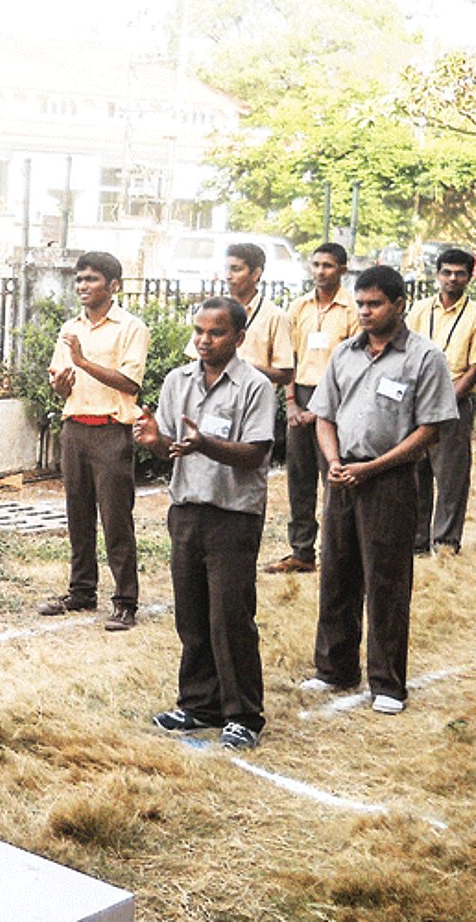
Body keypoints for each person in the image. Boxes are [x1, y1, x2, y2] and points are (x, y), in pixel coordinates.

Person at [302, 266, 457, 714]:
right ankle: (334, 668)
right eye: (361, 304)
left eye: (375, 304)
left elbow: (430, 428)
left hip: (389, 479)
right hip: (342, 477)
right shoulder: (344, 354)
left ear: (399, 304)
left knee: (386, 581)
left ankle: (387, 683)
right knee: (336, 571)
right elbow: (325, 415)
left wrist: (374, 467)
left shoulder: (424, 358)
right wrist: (334, 461)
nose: (365, 312)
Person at [135, 297, 274, 750]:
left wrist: (204, 444)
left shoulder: (255, 386)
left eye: (215, 333)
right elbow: (172, 447)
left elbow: (255, 452)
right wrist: (157, 442)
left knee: (230, 616)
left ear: (238, 337)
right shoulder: (179, 380)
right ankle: (198, 704)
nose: (204, 340)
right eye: (198, 331)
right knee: (192, 612)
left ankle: (243, 714)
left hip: (233, 514)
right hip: (187, 509)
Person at [37, 252, 150, 631]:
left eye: (92, 279)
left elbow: (131, 384)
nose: (83, 286)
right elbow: (58, 381)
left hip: (110, 430)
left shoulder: (131, 328)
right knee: (78, 515)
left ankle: (125, 600)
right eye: (80, 279)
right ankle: (82, 590)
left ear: (113, 285)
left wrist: (83, 363)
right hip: (75, 429)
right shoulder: (71, 327)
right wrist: (61, 383)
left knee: (116, 518)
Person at [265, 242, 358, 573]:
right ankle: (302, 552)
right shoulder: (298, 307)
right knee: (299, 479)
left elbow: (352, 366)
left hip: (337, 400)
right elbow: (288, 358)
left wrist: (320, 411)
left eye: (328, 265)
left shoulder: (352, 310)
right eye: (316, 264)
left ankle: (339, 551)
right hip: (300, 394)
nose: (320, 271)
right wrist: (291, 403)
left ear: (342, 270)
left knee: (333, 476)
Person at [406, 247, 476, 555]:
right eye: (447, 272)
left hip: (455, 398)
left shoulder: (474, 314)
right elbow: (405, 352)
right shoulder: (420, 309)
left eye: (460, 273)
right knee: (415, 472)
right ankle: (417, 542)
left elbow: (475, 367)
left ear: (470, 277)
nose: (452, 278)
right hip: (416, 399)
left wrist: (447, 400)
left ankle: (445, 543)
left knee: (450, 476)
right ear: (437, 275)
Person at [186, 242, 294, 386]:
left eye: (236, 269)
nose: (228, 276)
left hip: (253, 399)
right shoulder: (212, 311)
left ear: (256, 274)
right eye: (226, 269)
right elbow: (194, 358)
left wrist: (240, 368)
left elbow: (284, 374)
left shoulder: (275, 316)